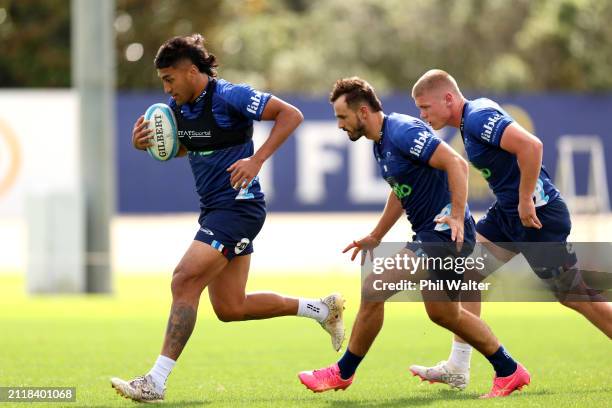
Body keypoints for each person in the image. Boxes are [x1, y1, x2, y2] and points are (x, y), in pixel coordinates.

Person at [110, 34, 345, 403]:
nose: (167, 89)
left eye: (170, 79)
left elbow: (291, 115)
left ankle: (155, 381)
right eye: (163, 82)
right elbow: (188, 146)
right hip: (216, 209)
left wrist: (258, 159)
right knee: (230, 308)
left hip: (238, 208)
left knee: (184, 280)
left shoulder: (230, 96)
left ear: (191, 71)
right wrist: (147, 144)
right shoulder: (178, 110)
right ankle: (321, 309)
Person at [297, 77, 530, 399]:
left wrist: (458, 215)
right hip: (433, 233)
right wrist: (376, 236)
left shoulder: (403, 131)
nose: (339, 124)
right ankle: (509, 370)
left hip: (443, 233)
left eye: (342, 117)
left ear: (363, 112)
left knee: (375, 285)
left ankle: (342, 372)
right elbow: (401, 192)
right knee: (444, 315)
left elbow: (456, 163)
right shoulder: (382, 143)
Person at [409, 68, 612, 390]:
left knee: (575, 296)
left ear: (448, 98)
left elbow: (532, 146)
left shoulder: (477, 117)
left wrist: (525, 200)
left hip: (536, 218)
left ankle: (467, 366)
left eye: (425, 107)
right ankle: (458, 366)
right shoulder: (469, 121)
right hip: (509, 215)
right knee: (467, 271)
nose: (421, 115)